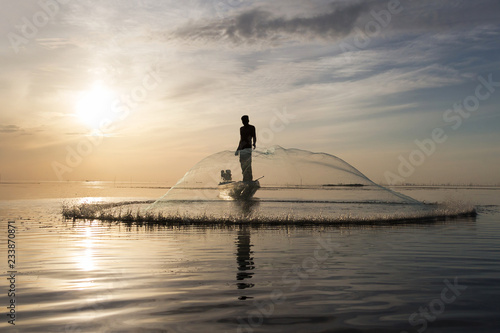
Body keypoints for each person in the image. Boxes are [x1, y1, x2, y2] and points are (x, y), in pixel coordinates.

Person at [235, 115, 256, 182]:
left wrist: (254, 143)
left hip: (248, 148)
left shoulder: (252, 127)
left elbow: (254, 136)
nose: (243, 122)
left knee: (248, 164)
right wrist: (238, 149)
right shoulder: (241, 129)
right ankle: (245, 178)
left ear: (248, 120)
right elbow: (241, 139)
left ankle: (249, 179)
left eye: (245, 121)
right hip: (242, 149)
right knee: (242, 164)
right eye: (242, 121)